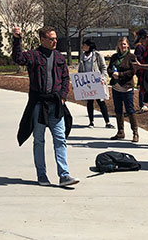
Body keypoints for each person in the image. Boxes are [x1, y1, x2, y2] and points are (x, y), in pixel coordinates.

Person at [12, 26, 79, 187]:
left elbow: (65, 78)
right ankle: (41, 175)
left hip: (56, 104)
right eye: (51, 38)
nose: (55, 41)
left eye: (55, 38)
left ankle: (64, 175)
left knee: (60, 139)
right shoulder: (34, 55)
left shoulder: (59, 57)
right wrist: (17, 39)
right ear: (42, 40)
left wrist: (63, 97)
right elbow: (18, 58)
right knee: (39, 141)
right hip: (38, 105)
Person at [107, 36, 139, 142]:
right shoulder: (115, 57)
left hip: (127, 87)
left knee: (130, 110)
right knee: (118, 110)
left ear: (128, 45)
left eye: (124, 44)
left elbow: (132, 71)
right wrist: (112, 73)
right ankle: (120, 132)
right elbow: (109, 68)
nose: (122, 46)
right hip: (116, 87)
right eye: (121, 44)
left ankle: (135, 132)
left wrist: (120, 74)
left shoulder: (131, 57)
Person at [78, 39, 113, 129]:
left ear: (89, 46)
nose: (83, 47)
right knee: (89, 102)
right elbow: (80, 69)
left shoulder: (97, 55)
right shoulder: (82, 56)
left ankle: (107, 122)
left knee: (101, 102)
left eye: (84, 45)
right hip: (87, 82)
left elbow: (103, 68)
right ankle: (91, 122)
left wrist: (102, 78)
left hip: (97, 81)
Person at [134, 36, 148, 113]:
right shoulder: (139, 47)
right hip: (142, 70)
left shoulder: (147, 47)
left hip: (147, 70)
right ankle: (142, 104)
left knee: (147, 87)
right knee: (142, 87)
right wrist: (145, 64)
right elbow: (138, 58)